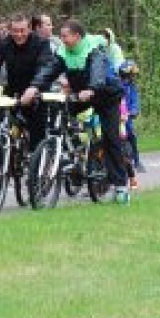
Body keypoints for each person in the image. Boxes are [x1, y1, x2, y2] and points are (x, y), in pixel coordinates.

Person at [39, 19, 131, 203]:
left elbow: (98, 71)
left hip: (106, 95)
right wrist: (35, 86)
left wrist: (92, 88)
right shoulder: (64, 52)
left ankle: (121, 185)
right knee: (59, 114)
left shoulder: (94, 50)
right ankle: (73, 155)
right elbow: (49, 70)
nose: (62, 39)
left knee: (110, 138)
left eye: (65, 36)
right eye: (61, 36)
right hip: (81, 95)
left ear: (77, 36)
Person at [0, 13, 56, 191]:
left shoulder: (41, 44)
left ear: (29, 29)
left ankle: (37, 176)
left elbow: (45, 67)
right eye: (15, 31)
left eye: (22, 30)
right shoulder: (4, 44)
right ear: (9, 30)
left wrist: (34, 88)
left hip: (36, 92)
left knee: (37, 134)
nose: (19, 35)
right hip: (13, 92)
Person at [118, 60, 145, 172]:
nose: (133, 77)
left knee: (132, 136)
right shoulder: (116, 85)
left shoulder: (131, 87)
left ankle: (137, 161)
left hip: (126, 118)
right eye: (132, 75)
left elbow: (135, 100)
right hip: (114, 116)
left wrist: (134, 110)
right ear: (126, 74)